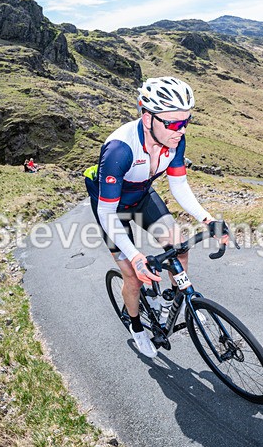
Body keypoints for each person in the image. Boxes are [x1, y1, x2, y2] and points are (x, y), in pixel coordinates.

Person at [84, 77, 227, 358]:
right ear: (147, 117)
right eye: (173, 123)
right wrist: (136, 257)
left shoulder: (175, 140)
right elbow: (106, 213)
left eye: (186, 121)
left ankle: (170, 304)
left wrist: (208, 220)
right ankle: (137, 329)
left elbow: (179, 186)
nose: (180, 130)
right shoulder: (120, 150)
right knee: (134, 278)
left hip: (143, 197)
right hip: (112, 210)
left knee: (180, 250)